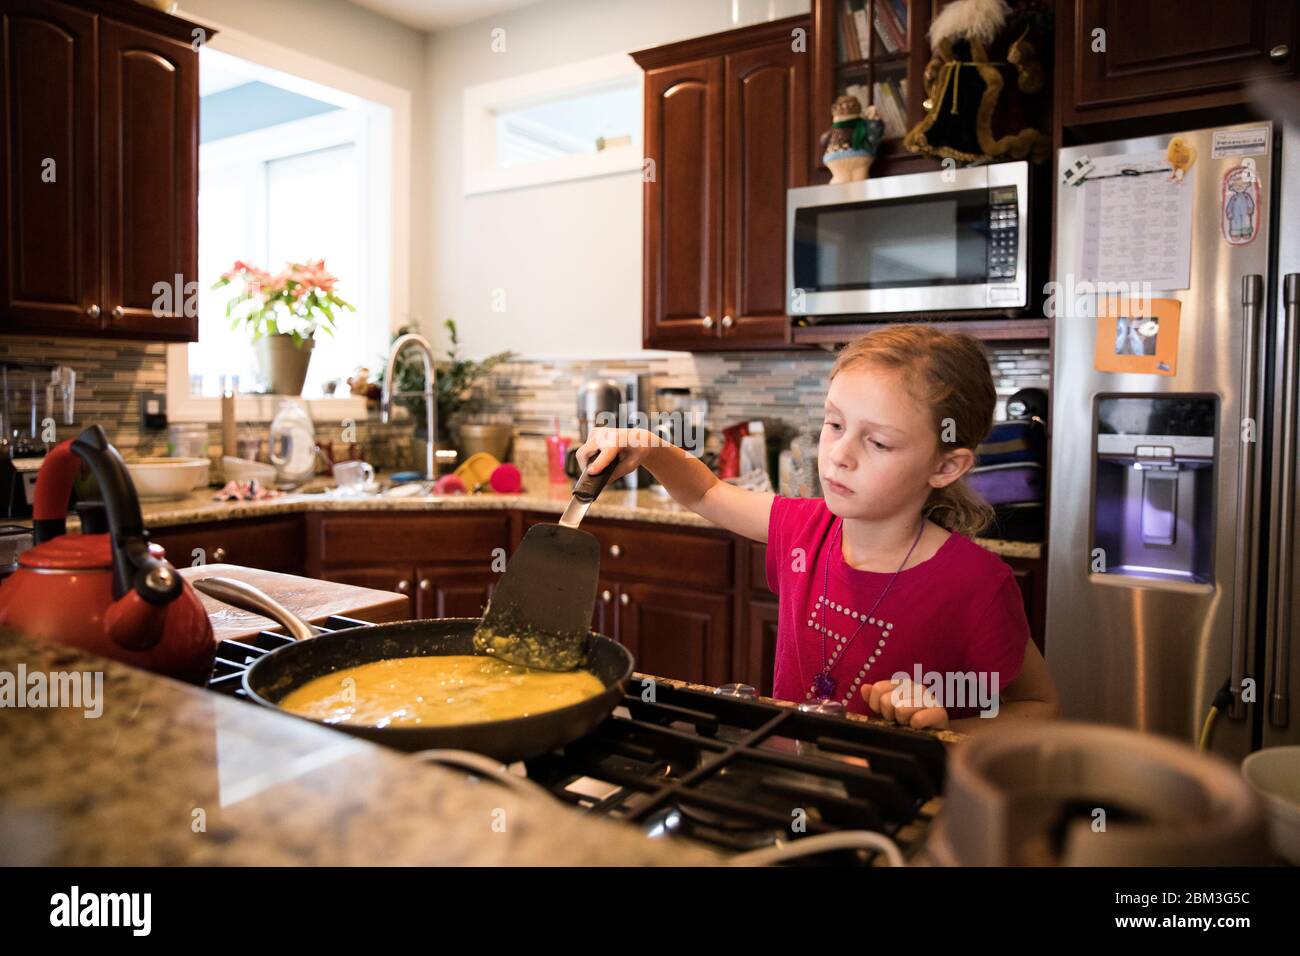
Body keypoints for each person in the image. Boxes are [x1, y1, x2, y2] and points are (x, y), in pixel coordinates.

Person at [576, 325, 1058, 734]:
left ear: (947, 465)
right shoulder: (803, 528)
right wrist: (651, 448)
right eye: (834, 424)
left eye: (879, 443)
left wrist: (945, 726)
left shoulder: (973, 583)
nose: (839, 454)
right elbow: (705, 493)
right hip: (798, 787)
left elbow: (1038, 708)